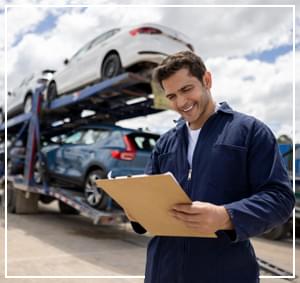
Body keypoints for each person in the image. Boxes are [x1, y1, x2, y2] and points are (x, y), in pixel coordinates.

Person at [128, 51, 295, 283]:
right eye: (172, 96)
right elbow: (149, 197)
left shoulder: (250, 132)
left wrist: (226, 216)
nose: (181, 103)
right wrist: (136, 212)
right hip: (162, 271)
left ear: (207, 80)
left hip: (224, 272)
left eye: (187, 89)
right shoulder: (165, 142)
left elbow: (280, 199)